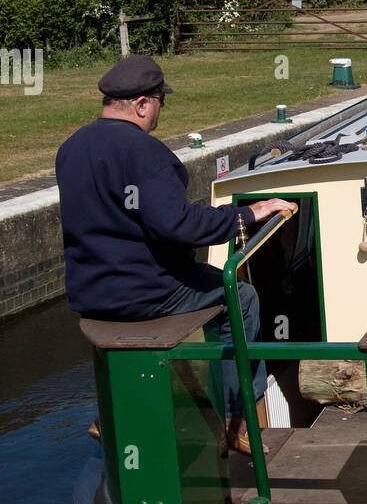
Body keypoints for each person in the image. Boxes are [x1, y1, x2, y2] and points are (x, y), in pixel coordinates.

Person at [55, 55, 293, 453]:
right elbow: (176, 225)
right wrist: (247, 213)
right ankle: (239, 420)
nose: (161, 111)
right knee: (242, 296)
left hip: (90, 294)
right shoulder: (144, 153)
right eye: (161, 102)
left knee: (205, 284)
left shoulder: (71, 147)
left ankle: (110, 412)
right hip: (144, 294)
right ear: (143, 104)